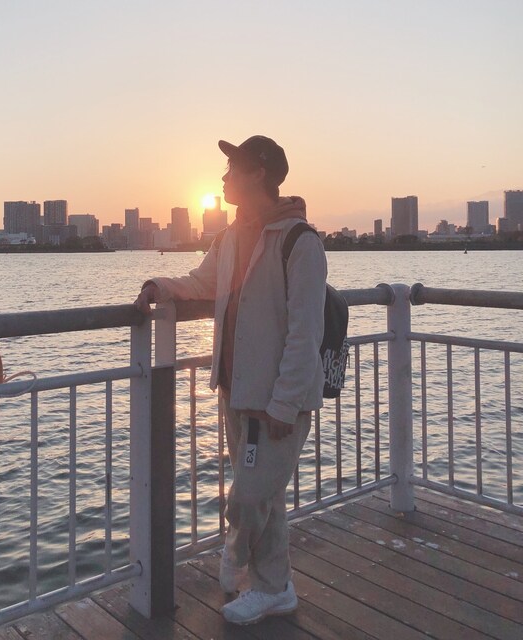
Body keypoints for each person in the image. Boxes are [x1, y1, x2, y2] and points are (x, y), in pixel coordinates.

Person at [134, 135, 326, 625]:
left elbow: (305, 333)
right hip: (236, 390)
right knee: (264, 496)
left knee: (248, 497)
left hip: (274, 400)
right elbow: (204, 282)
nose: (223, 178)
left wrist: (284, 404)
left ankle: (241, 561)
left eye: (232, 168)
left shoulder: (301, 242)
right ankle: (273, 586)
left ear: (258, 173)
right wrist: (161, 286)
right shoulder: (229, 238)